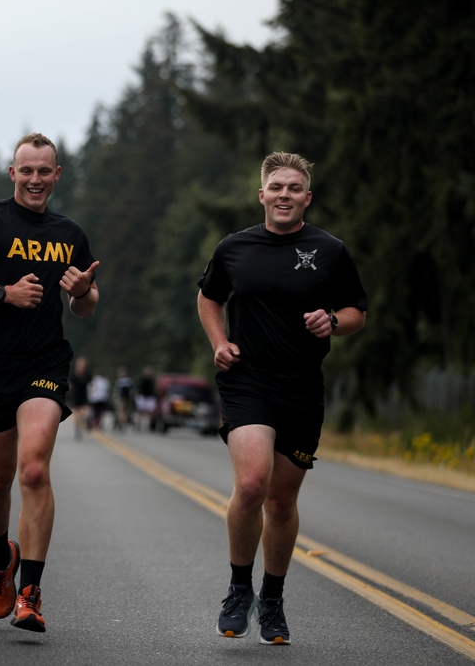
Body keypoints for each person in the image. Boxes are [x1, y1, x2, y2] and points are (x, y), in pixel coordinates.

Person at [196, 152, 367, 645]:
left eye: (294, 188)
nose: (284, 194)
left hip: (301, 387)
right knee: (252, 483)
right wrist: (219, 342)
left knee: (281, 500)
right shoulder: (234, 248)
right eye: (276, 187)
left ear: (307, 197)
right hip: (246, 380)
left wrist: (332, 321)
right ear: (262, 195)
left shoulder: (330, 250)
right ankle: (238, 589)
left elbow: (357, 311)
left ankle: (272, 598)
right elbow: (209, 296)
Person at [0, 132, 99, 633]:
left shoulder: (69, 233)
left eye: (44, 171)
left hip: (44, 364)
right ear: (13, 173)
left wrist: (83, 292)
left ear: (57, 175)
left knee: (32, 470)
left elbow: (85, 306)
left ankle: (30, 591)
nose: (35, 179)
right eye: (26, 170)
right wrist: (3, 293)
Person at [68, 356, 92, 440]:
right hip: (76, 397)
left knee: (84, 415)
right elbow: (70, 385)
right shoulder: (74, 375)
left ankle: (82, 426)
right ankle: (77, 430)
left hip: (85, 397)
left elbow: (91, 385)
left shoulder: (87, 375)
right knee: (77, 416)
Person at [134, 366, 157, 432]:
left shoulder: (152, 381)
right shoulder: (142, 380)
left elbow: (154, 390)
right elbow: (139, 389)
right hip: (142, 397)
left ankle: (148, 425)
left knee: (150, 412)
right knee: (140, 412)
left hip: (150, 398)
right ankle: (138, 425)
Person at [113, 366, 135, 431]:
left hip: (127, 398)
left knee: (125, 412)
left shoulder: (128, 381)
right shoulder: (119, 381)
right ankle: (121, 423)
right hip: (121, 398)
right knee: (121, 411)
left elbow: (133, 390)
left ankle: (124, 423)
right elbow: (116, 391)